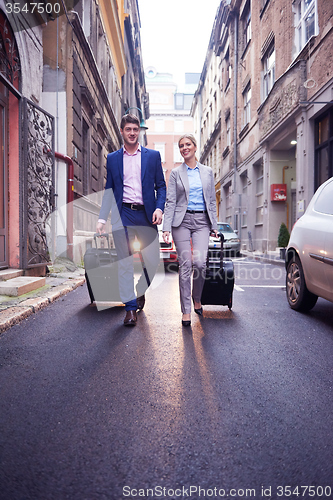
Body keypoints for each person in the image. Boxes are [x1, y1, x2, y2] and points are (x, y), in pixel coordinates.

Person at [96, 113, 166, 326]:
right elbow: (110, 190)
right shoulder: (113, 158)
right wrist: (101, 218)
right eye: (129, 129)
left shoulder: (152, 156)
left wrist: (159, 208)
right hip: (123, 215)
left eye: (136, 130)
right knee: (125, 263)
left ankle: (139, 291)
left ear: (139, 132)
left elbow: (161, 186)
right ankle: (130, 309)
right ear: (122, 131)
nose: (133, 133)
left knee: (152, 262)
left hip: (146, 215)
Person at [162, 134, 218, 327]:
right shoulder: (176, 173)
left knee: (200, 263)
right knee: (185, 266)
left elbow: (211, 200)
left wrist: (215, 226)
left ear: (195, 147)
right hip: (182, 222)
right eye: (181, 146)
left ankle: (197, 297)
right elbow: (170, 201)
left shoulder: (207, 171)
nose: (184, 148)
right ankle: (186, 311)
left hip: (202, 221)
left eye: (188, 144)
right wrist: (166, 227)